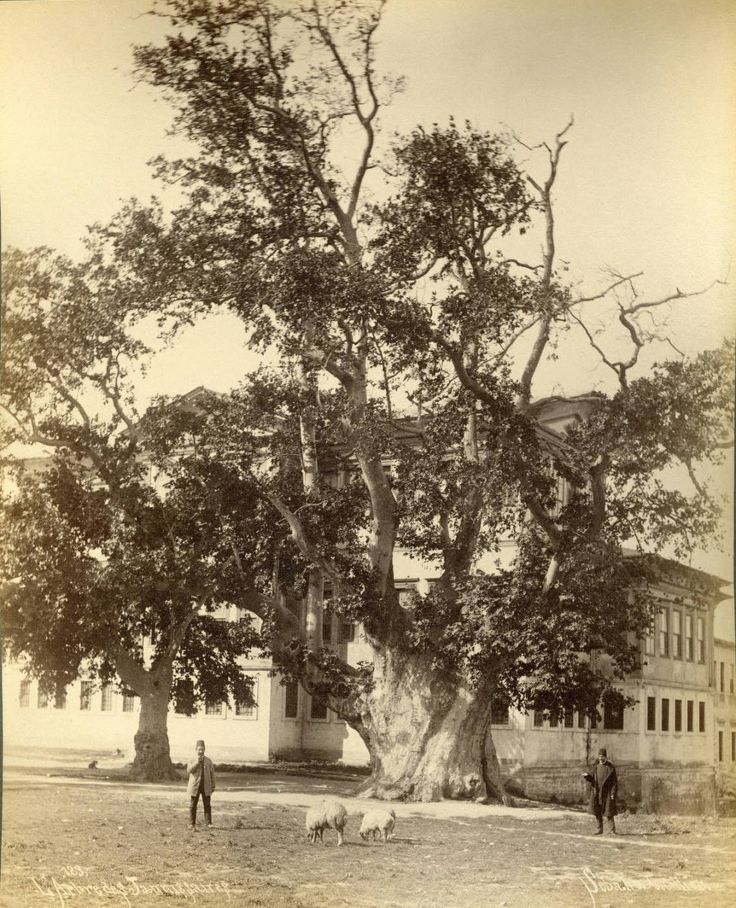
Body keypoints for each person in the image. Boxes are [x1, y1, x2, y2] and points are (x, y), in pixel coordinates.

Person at [582, 747, 618, 835]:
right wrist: (587, 776)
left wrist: (613, 793)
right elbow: (592, 779)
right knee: (597, 812)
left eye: (602, 756)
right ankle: (599, 829)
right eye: (599, 756)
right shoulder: (596, 767)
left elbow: (614, 782)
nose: (601, 758)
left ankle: (612, 830)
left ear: (606, 757)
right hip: (597, 792)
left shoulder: (610, 767)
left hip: (607, 793)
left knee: (609, 812)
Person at [187, 739, 216, 829]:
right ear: (196, 750)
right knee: (193, 805)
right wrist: (197, 762)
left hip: (206, 786)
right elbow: (189, 770)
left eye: (202, 749)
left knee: (207, 805)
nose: (201, 751)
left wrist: (213, 785)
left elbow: (212, 774)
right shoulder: (192, 759)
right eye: (199, 749)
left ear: (204, 749)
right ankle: (191, 823)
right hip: (195, 786)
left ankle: (208, 823)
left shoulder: (208, 761)